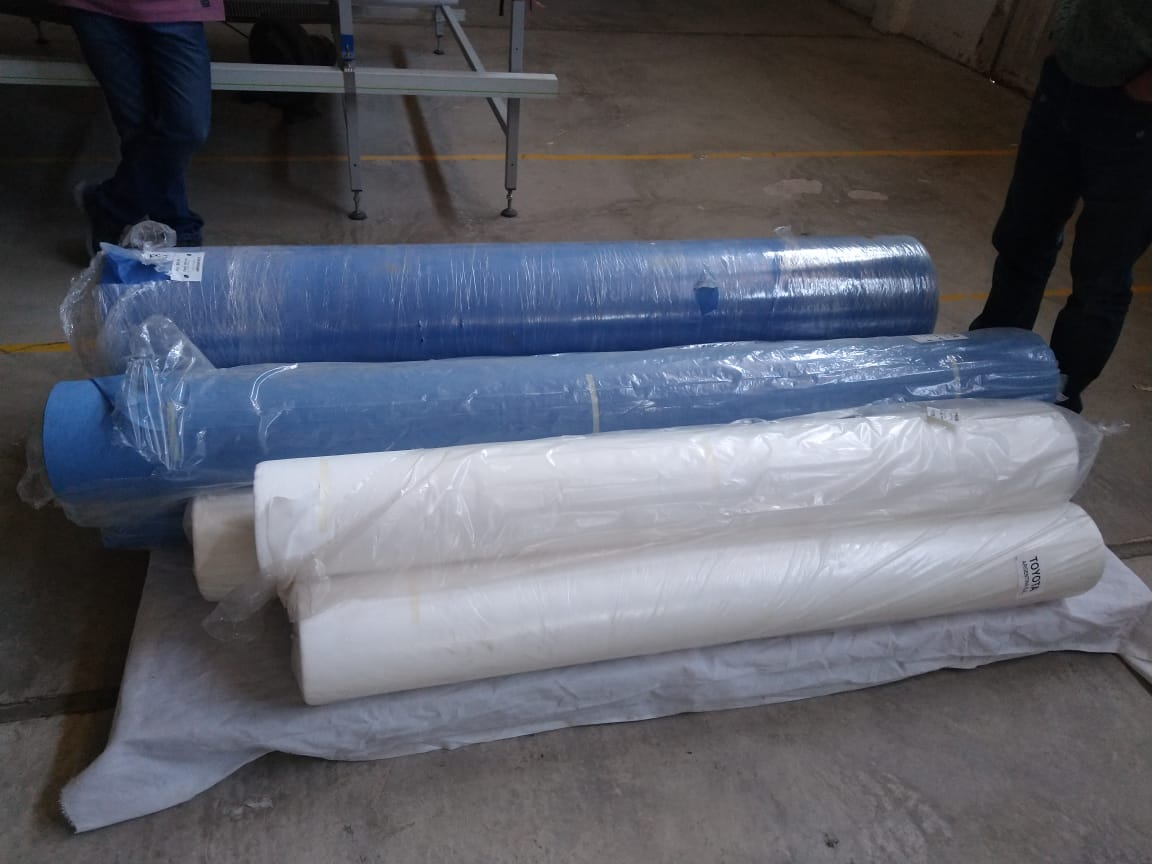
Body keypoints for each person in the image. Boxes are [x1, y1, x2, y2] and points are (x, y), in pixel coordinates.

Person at [970, 0, 1152, 413]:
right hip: (1065, 82)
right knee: (1022, 240)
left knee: (1100, 278)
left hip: (1138, 113)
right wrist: (1063, 35)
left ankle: (1055, 402)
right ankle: (990, 367)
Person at [60, 0, 225, 251]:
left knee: (188, 127)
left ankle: (112, 207)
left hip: (176, 9)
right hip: (96, 8)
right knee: (137, 128)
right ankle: (176, 226)